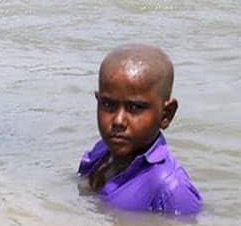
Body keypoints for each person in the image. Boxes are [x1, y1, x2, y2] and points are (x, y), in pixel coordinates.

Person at [78, 43, 202, 214]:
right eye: (108, 104)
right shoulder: (101, 153)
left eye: (135, 108)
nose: (118, 121)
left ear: (166, 114)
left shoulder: (171, 190)